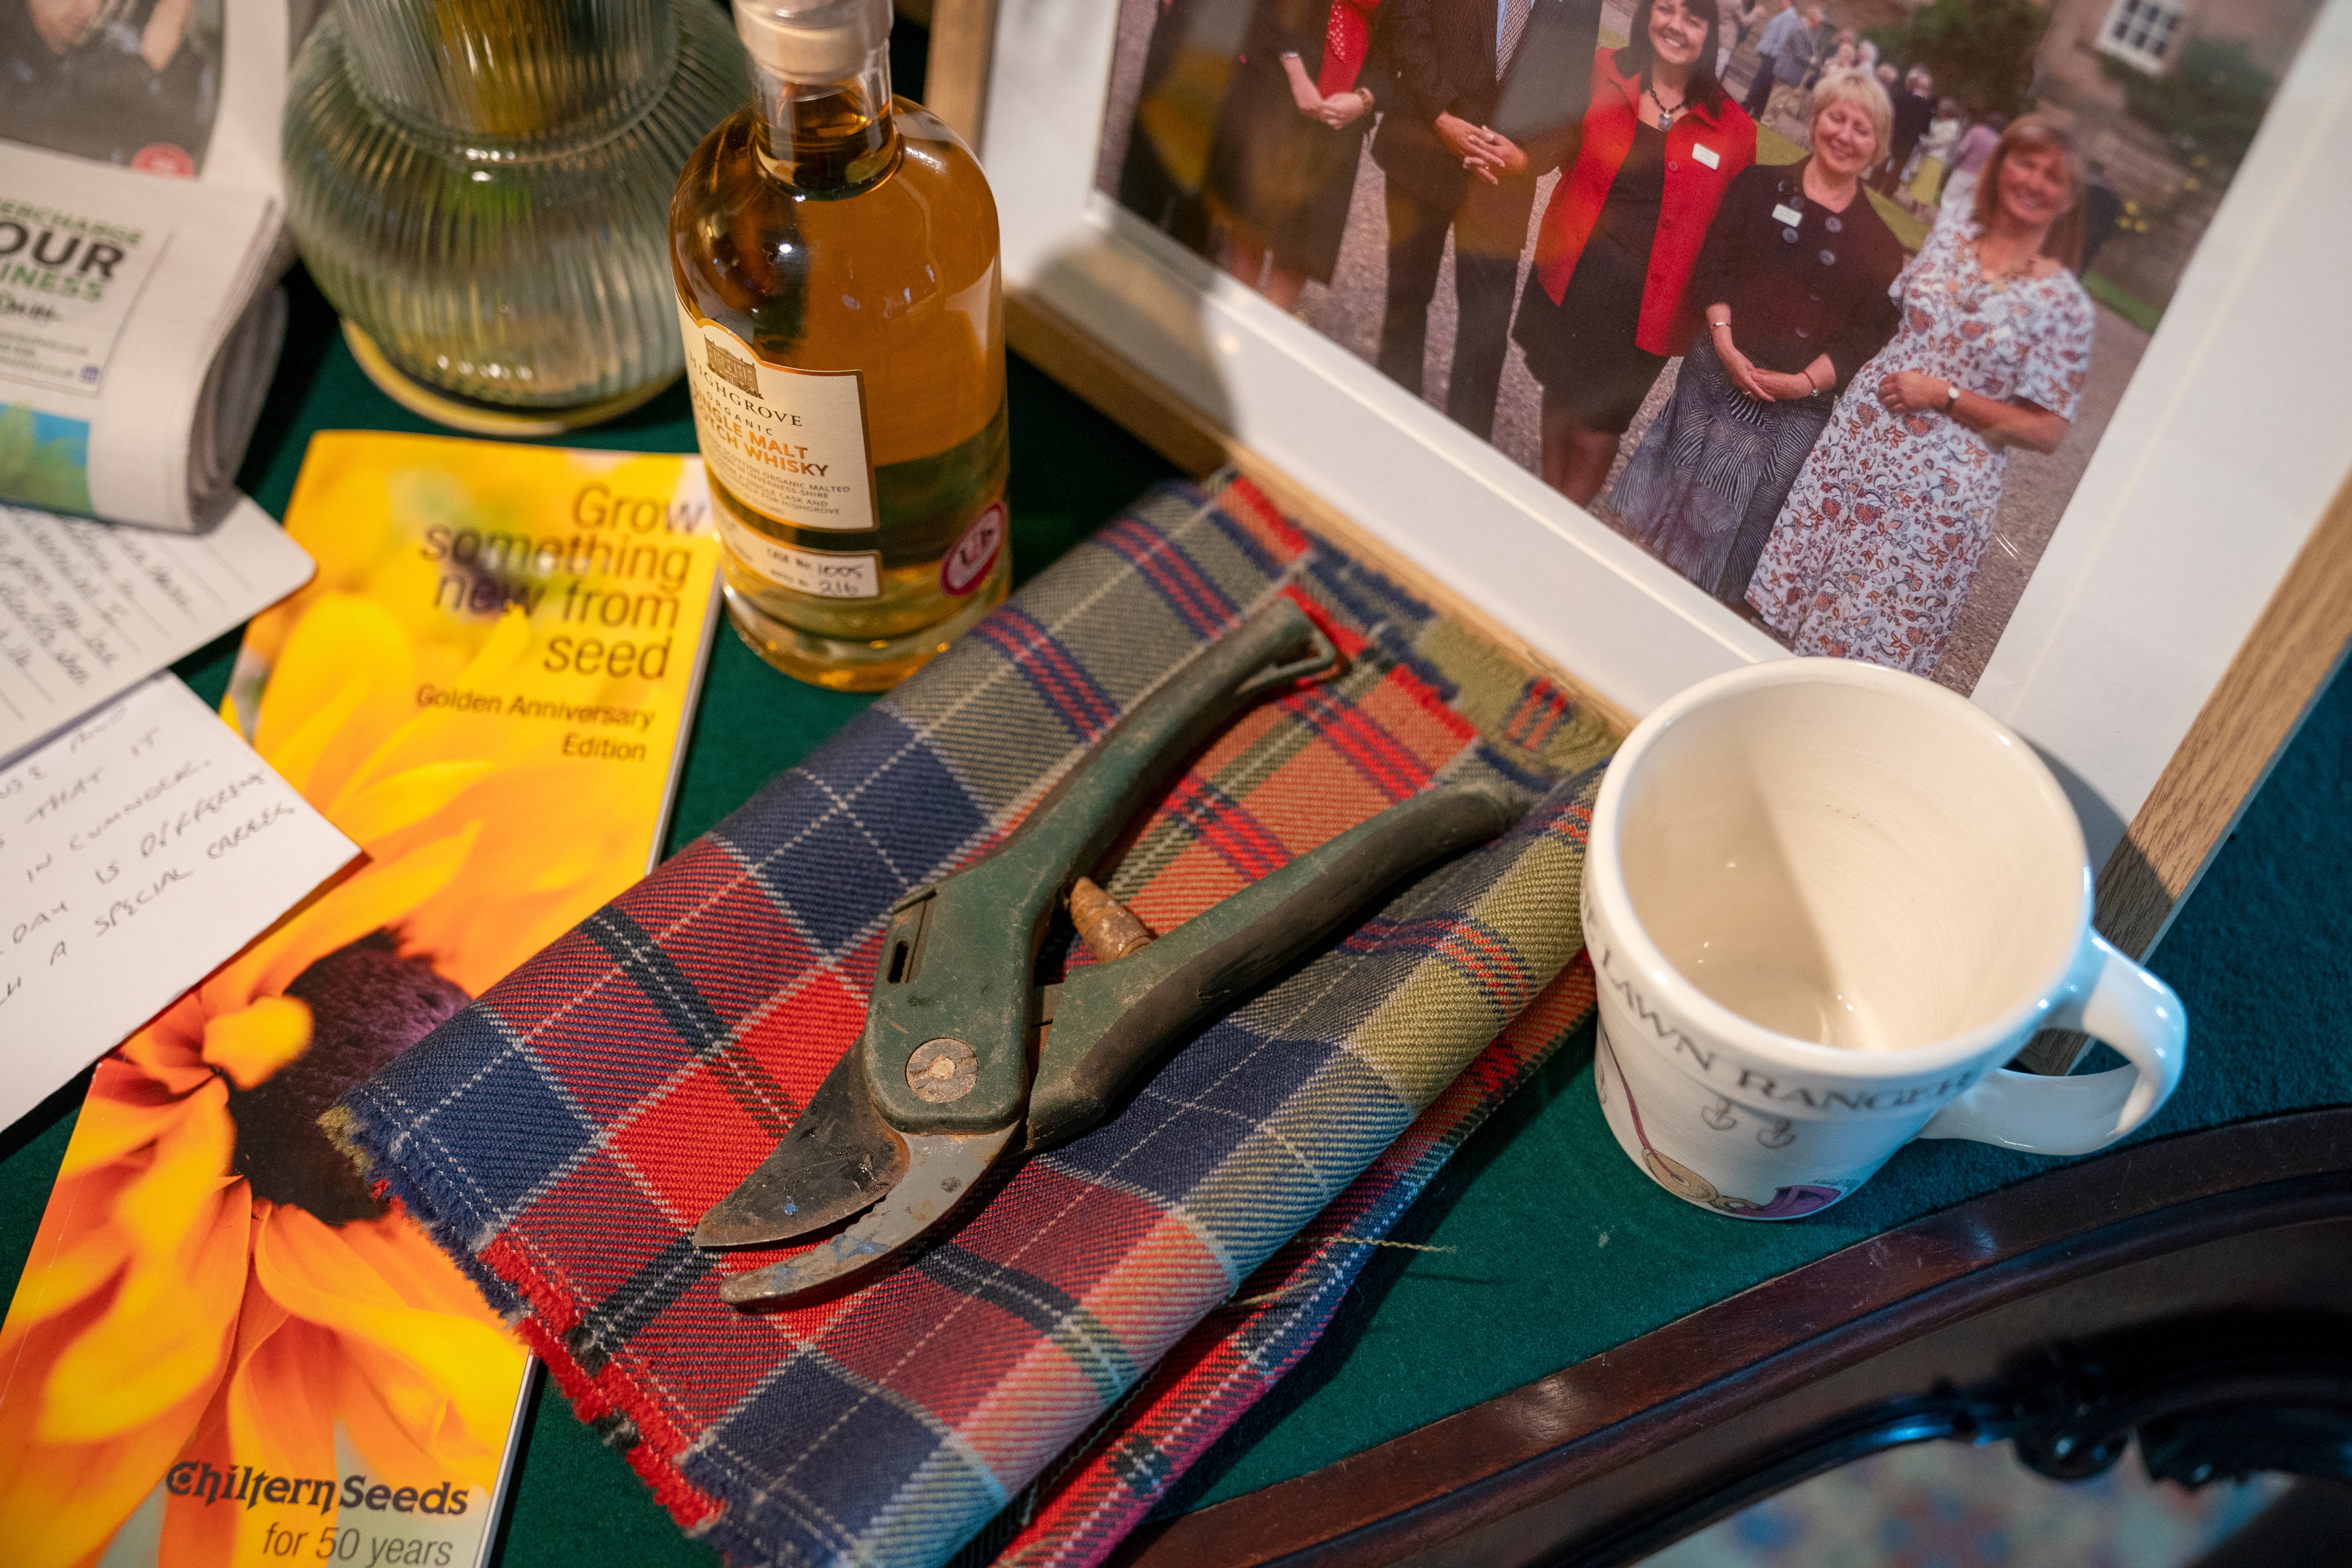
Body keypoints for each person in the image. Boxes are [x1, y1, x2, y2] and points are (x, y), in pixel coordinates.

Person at [1747, 115, 2096, 675]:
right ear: (2000, 166)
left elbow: (2047, 430)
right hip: (1858, 447)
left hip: (1934, 494)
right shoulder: (1950, 237)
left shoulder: (2064, 305)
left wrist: (1946, 395)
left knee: (1862, 646)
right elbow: (1897, 324)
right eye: (2025, 164)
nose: (2034, 182)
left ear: (2070, 198)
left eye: (2052, 177)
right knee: (1794, 608)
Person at [1611, 70, 1906, 605]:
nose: (1844, 135)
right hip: (1713, 377)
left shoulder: (1881, 246)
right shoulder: (1758, 186)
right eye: (1836, 118)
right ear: (1816, 120)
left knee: (1724, 558)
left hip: (1793, 412)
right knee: (1651, 528)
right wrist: (1725, 344)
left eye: (1862, 129)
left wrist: (1804, 383)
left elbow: (1864, 339)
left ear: (1879, 146)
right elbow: (1714, 267)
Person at [1513, 0, 1757, 504]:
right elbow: (1552, 140)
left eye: (1693, 19)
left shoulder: (1735, 130)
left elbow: (1733, 239)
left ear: (1710, 34)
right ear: (1647, 14)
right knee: (1559, 394)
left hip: (1648, 305)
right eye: (1666, 9)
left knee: (1596, 428)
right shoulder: (1602, 70)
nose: (1676, 26)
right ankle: (1544, 500)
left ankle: (1565, 517)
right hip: (1576, 272)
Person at [1372, 0, 1599, 424]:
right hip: (1426, 146)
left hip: (1504, 182)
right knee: (1406, 296)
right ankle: (1392, 425)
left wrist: (1527, 160)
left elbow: (1573, 99)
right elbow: (1408, 18)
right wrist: (1440, 116)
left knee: (1486, 333)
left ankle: (1463, 450)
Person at [1199, 0, 1386, 310]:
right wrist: (1298, 77)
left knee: (1299, 255)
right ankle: (1231, 327)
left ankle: (1264, 337)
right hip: (1279, 92)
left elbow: (1399, 48)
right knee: (1252, 233)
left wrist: (1364, 100)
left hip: (1340, 130)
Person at [1934, 109, 2005, 233]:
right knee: (1966, 208)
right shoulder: (1998, 143)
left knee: (1950, 201)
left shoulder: (1977, 131)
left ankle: (1941, 230)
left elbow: (1963, 149)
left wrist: (1957, 162)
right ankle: (1955, 235)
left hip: (1964, 171)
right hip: (1980, 178)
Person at [1741, 0, 1805, 120]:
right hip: (1772, 55)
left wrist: (1773, 53)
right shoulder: (1786, 14)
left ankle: (1748, 105)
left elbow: (1784, 40)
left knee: (1761, 82)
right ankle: (1757, 111)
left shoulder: (1790, 16)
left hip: (1774, 56)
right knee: (1765, 84)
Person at [1877, 64, 1934, 195]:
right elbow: (1925, 129)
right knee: (1898, 168)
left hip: (1894, 133)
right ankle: (1889, 191)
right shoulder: (1927, 107)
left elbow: (1893, 114)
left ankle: (1875, 183)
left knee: (1883, 161)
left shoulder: (1902, 95)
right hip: (1910, 141)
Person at [1908, 96, 1964, 204]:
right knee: (1922, 180)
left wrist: (1926, 142)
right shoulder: (1943, 123)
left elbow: (1941, 141)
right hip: (1931, 154)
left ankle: (1920, 205)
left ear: (1948, 112)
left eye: (1942, 111)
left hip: (1938, 157)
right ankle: (1916, 202)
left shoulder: (1952, 126)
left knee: (1928, 183)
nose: (1940, 112)